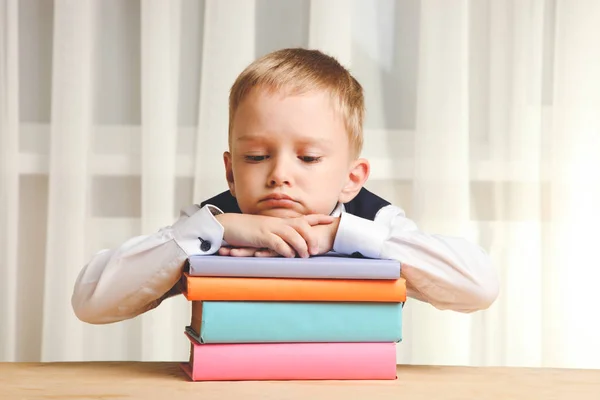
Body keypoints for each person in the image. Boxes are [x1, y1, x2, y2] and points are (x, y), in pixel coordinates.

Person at [71, 48, 499, 324]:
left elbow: (479, 287)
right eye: (256, 157)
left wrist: (342, 234)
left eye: (309, 158)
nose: (279, 174)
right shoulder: (212, 222)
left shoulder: (373, 219)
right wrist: (218, 230)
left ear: (352, 178)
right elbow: (91, 301)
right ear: (231, 172)